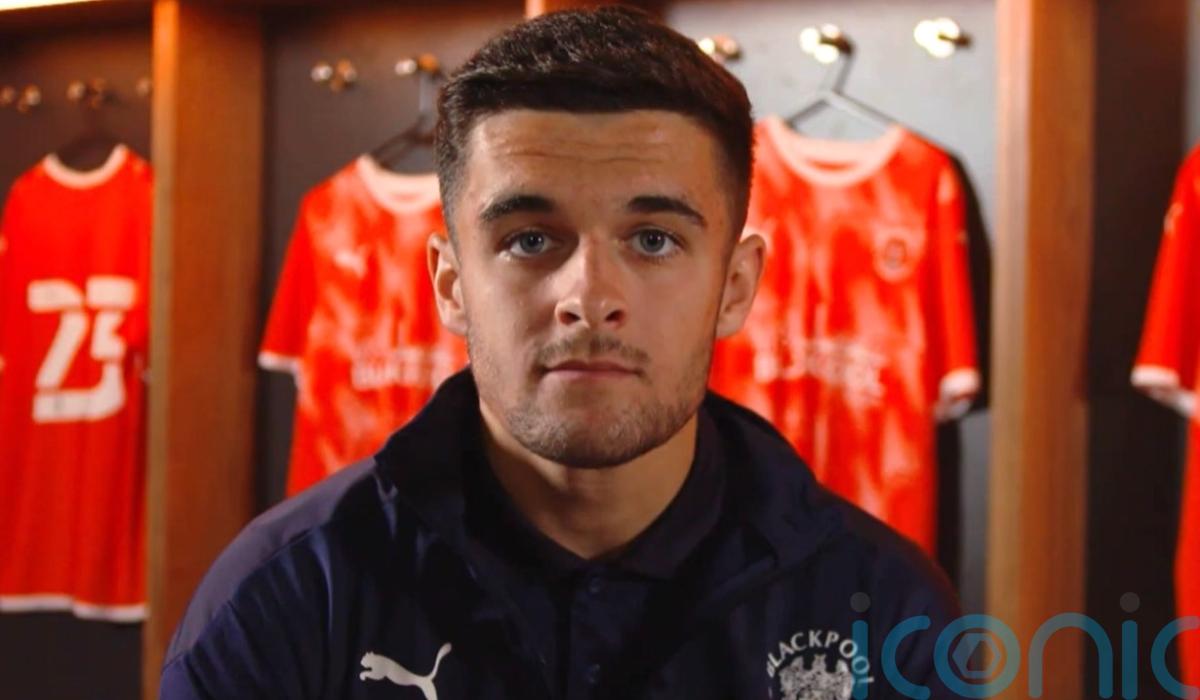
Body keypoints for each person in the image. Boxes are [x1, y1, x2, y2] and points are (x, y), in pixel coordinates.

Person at [160, 7, 961, 699]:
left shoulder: (885, 611)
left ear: (735, 286)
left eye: (653, 240)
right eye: (530, 240)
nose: (589, 295)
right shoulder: (284, 598)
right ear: (449, 284)